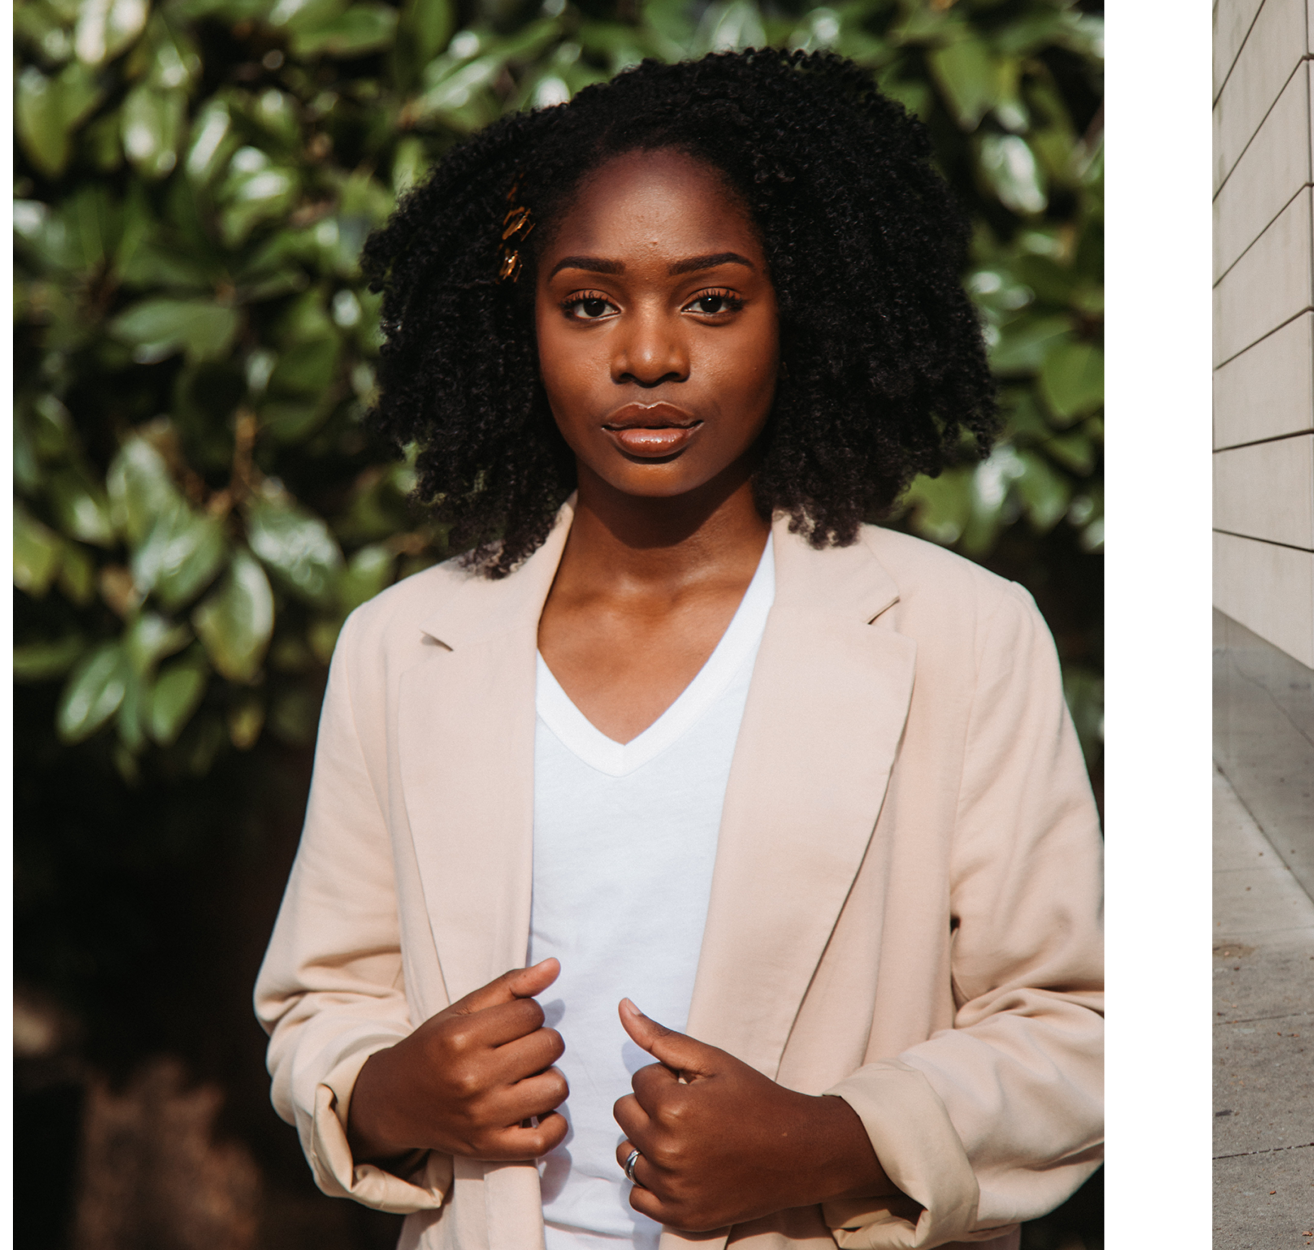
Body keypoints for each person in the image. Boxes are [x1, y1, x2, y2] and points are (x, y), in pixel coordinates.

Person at [253, 49, 1104, 1250]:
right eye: (589, 302)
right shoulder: (403, 646)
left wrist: (838, 1137)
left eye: (710, 300)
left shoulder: (961, 634)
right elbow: (321, 999)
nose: (647, 355)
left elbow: (1078, 1023)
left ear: (793, 308)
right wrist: (389, 1090)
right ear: (524, 320)